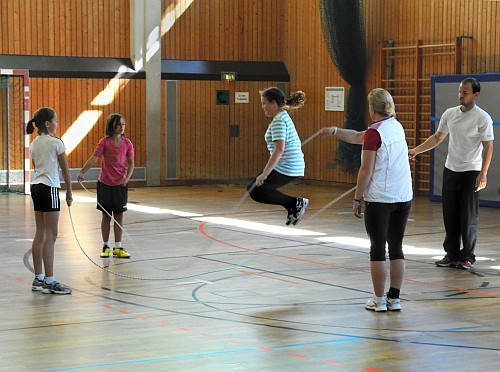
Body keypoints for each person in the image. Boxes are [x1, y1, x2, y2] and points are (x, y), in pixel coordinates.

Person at [320, 88, 413, 312]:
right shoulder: (395, 127)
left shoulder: (375, 133)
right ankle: (394, 298)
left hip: (381, 199)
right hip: (403, 197)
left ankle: (379, 300)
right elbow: (358, 136)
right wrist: (335, 131)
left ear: (372, 109)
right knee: (397, 248)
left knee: (378, 249)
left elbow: (366, 170)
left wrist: (357, 198)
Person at [409, 77, 494, 270]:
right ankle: (452, 253)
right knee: (450, 214)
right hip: (451, 170)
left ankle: (467, 256)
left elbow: (488, 147)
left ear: (475, 94)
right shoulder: (450, 114)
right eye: (459, 92)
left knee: (468, 216)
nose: (461, 96)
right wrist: (416, 150)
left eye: (465, 92)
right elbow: (438, 137)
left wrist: (483, 173)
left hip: (471, 171)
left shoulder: (482, 118)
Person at [28, 108, 73, 295]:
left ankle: (38, 278)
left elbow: (36, 166)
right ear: (47, 124)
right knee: (51, 235)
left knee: (40, 232)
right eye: (55, 120)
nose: (57, 123)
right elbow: (65, 170)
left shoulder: (34, 144)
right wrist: (69, 192)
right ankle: (50, 281)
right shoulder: (56, 143)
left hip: (36, 187)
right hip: (49, 189)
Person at [247, 87, 308, 226]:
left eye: (264, 103)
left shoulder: (279, 121)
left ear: (273, 103)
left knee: (255, 189)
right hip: (290, 165)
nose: (263, 107)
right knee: (255, 189)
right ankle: (293, 205)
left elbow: (279, 150)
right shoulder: (282, 117)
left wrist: (264, 174)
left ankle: (295, 203)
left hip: (287, 166)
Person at [78, 114, 135, 258]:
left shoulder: (127, 143)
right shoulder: (104, 142)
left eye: (123, 124)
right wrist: (82, 172)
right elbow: (94, 158)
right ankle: (105, 245)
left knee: (119, 216)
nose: (122, 127)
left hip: (120, 185)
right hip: (105, 184)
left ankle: (118, 246)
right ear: (112, 126)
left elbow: (131, 163)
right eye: (118, 124)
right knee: (106, 216)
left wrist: (127, 178)